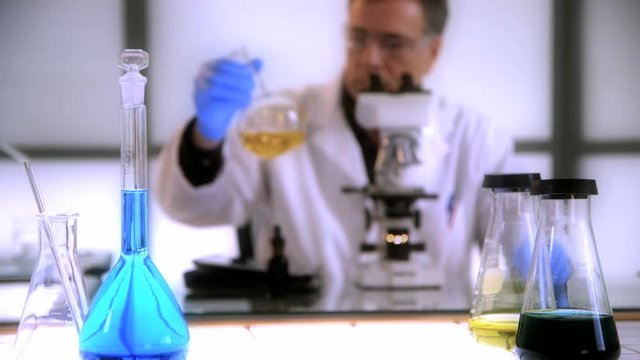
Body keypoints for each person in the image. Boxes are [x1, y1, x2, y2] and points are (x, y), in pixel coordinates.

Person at [155, 0, 515, 292]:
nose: (371, 58)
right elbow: (192, 208)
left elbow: (514, 247)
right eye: (358, 39)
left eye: (392, 43)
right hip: (308, 336)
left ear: (433, 51)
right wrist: (206, 137)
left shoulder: (476, 138)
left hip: (433, 336)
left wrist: (541, 249)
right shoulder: (284, 122)